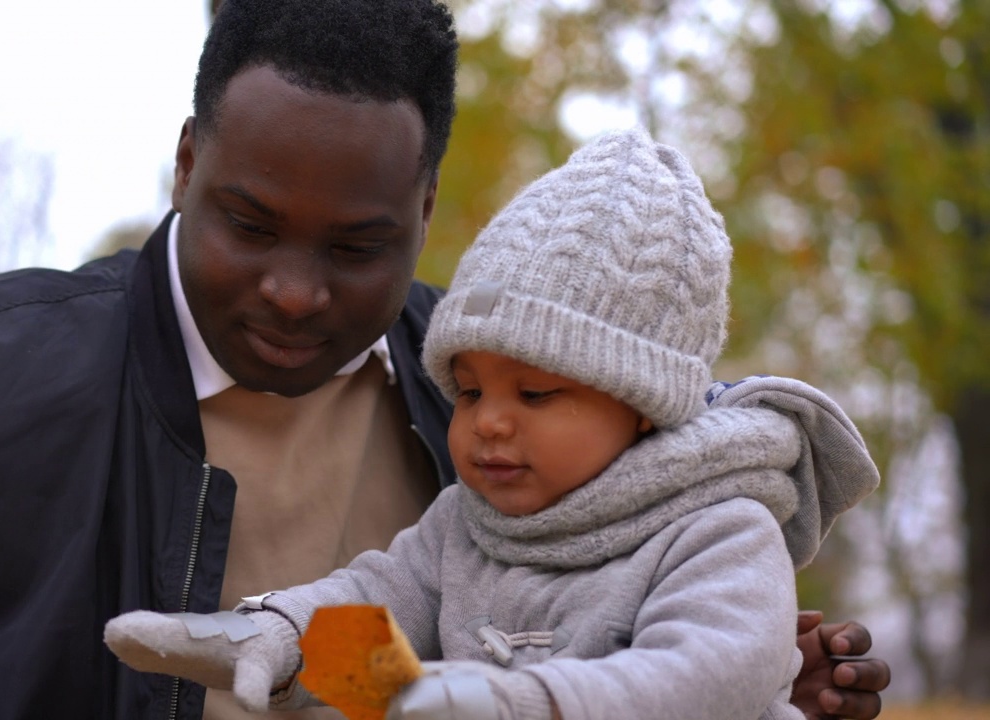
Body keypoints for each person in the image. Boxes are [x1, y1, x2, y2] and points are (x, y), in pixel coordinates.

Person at [0, 1, 890, 718]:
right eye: (251, 224)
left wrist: (743, 685)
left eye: (357, 246)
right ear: (183, 165)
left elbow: (615, 634)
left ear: (424, 211)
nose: (291, 290)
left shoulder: (501, 390)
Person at [102, 127, 880, 720]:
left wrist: (518, 702)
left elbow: (706, 678)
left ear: (643, 405)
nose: (487, 426)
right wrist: (283, 639)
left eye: (534, 395)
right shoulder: (465, 526)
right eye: (469, 392)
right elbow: (380, 621)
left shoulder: (718, 532)